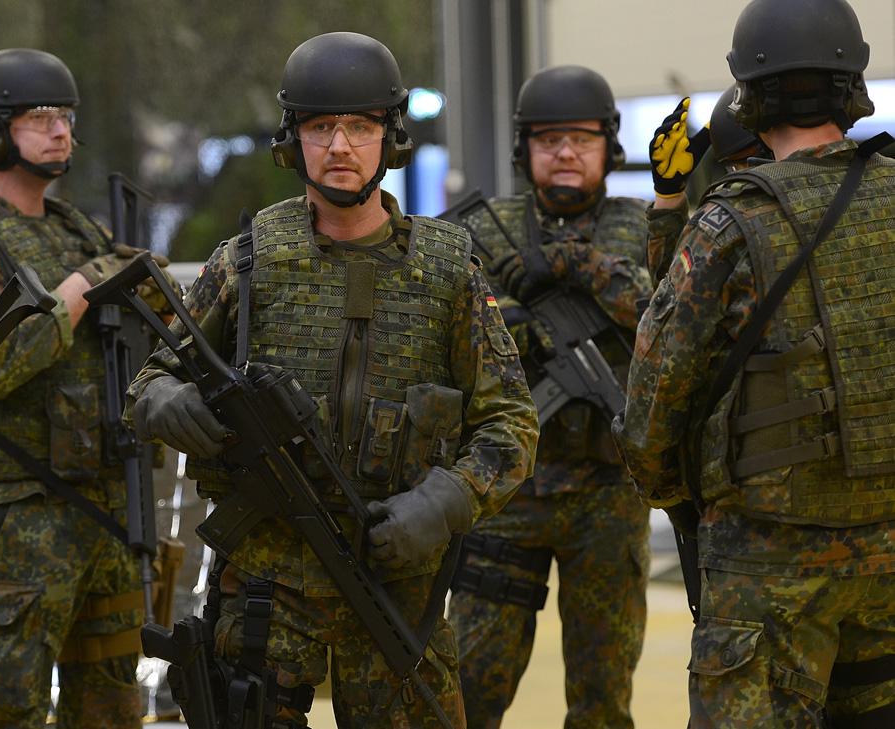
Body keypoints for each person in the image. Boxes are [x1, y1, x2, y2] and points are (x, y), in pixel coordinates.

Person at [126, 31, 538, 728]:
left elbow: (511, 424)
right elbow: (149, 381)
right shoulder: (248, 262)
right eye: (321, 127)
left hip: (394, 584)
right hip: (267, 584)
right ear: (294, 139)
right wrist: (170, 400)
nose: (340, 146)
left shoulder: (448, 272)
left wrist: (442, 503)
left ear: (390, 137)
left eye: (360, 126)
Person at [613, 0, 895, 725]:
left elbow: (649, 414)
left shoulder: (729, 223)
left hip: (767, 574)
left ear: (752, 96)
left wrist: (691, 499)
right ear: (851, 86)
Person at [0, 48, 173, 728]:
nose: (60, 132)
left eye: (66, 117)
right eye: (39, 117)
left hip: (104, 510)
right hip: (12, 521)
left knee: (112, 708)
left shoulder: (76, 228)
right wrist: (88, 284)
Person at [445, 65, 653, 729]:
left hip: (609, 492)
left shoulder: (644, 227)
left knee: (602, 696)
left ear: (608, 146)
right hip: (508, 485)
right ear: (525, 147)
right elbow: (449, 318)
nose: (565, 152)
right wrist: (513, 319)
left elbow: (671, 319)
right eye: (549, 139)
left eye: (581, 139)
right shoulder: (483, 229)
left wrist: (579, 265)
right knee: (470, 684)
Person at [646, 86, 772, 283]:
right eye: (735, 166)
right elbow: (673, 289)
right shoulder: (725, 228)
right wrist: (668, 195)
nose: (743, 176)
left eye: (751, 161)